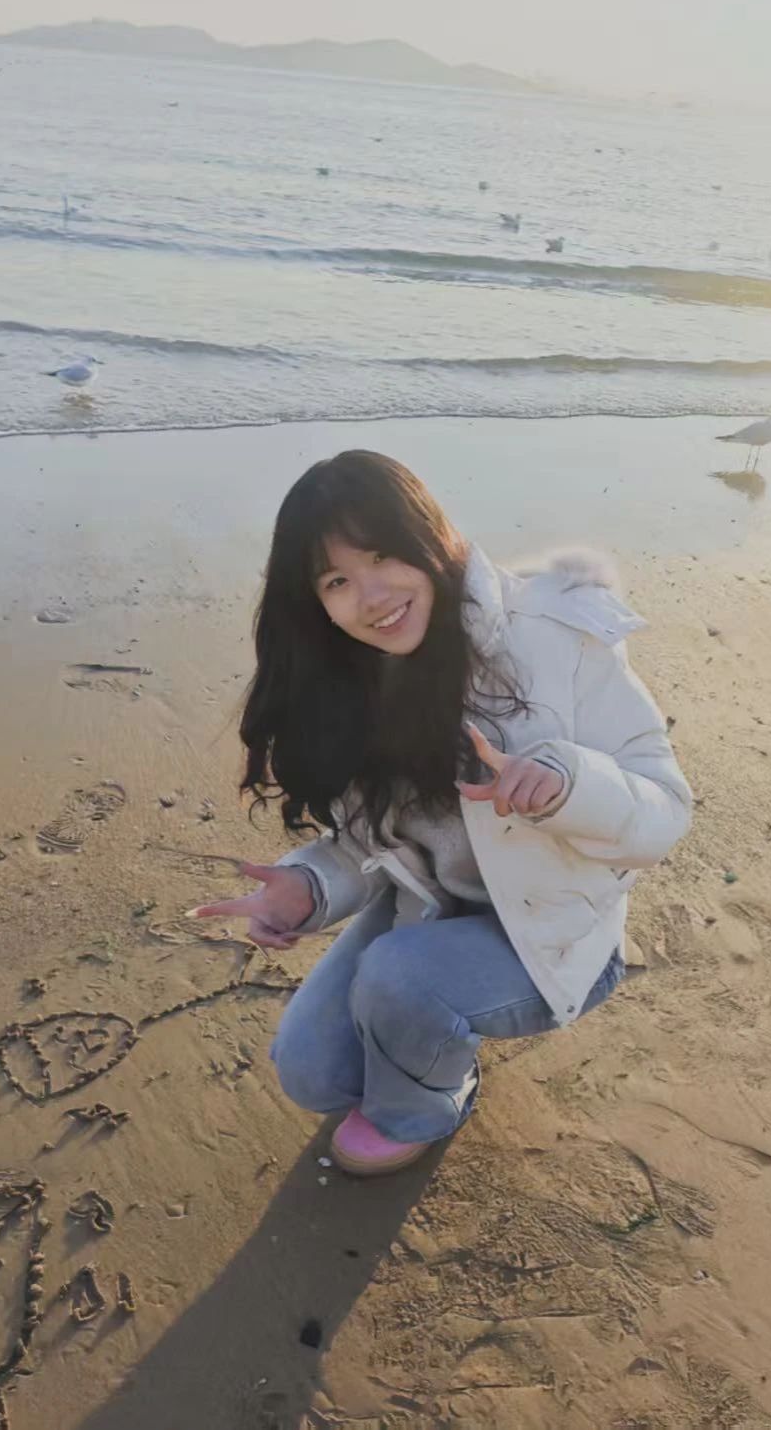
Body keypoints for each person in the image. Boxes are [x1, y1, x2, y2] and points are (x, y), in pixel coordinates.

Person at [191, 451, 691, 1176]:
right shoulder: (350, 682)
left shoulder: (554, 635)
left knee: (402, 979)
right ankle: (432, 1020)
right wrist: (310, 885)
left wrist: (566, 786)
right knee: (313, 1074)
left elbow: (666, 807)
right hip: (428, 912)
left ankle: (429, 1106)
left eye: (382, 556)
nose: (371, 597)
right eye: (336, 581)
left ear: (431, 536)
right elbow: (372, 846)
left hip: (557, 932)